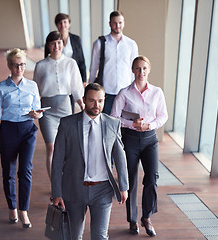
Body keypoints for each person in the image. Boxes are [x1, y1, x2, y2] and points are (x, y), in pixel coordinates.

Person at [51, 83, 129, 240]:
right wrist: (56, 193)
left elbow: (120, 157)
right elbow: (57, 160)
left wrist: (124, 186)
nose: (97, 105)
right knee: (74, 236)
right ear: (84, 100)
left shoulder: (113, 124)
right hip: (74, 188)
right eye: (92, 100)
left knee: (100, 237)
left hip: (103, 190)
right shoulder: (67, 124)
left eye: (100, 101)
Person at [110, 56, 168, 237]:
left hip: (150, 139)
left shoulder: (157, 92)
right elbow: (113, 117)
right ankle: (133, 220)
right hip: (131, 139)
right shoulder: (124, 93)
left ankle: (147, 217)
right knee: (131, 180)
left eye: (144, 68)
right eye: (137, 69)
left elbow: (163, 116)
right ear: (133, 70)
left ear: (148, 70)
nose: (141, 72)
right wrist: (131, 124)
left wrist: (149, 125)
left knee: (152, 177)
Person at [0, 48, 43, 228]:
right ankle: (12, 207)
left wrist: (37, 114)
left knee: (25, 170)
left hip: (28, 130)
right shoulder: (1, 88)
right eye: (16, 65)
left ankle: (23, 211)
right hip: (8, 131)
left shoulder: (32, 86)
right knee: (9, 172)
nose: (19, 68)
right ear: (9, 66)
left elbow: (38, 110)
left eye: (22, 65)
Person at [34, 31, 85, 178]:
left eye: (59, 42)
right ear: (48, 45)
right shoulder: (40, 65)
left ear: (63, 44)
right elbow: (36, 90)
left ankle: (66, 181)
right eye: (53, 43)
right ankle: (55, 187)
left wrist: (81, 104)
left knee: (66, 149)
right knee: (51, 148)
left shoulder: (70, 63)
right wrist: (35, 109)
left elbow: (75, 87)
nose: (56, 46)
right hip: (47, 111)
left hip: (65, 108)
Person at [88, 10, 138, 115]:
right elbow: (93, 68)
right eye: (114, 23)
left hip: (126, 90)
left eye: (120, 23)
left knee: (124, 123)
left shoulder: (131, 44)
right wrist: (90, 89)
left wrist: (135, 89)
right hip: (106, 91)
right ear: (109, 23)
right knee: (106, 122)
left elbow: (135, 68)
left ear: (124, 23)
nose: (117, 26)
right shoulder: (99, 43)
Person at [53, 13, 87, 113]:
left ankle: (69, 118)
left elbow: (81, 59)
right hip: (58, 75)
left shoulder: (76, 39)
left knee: (73, 99)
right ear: (56, 25)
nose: (62, 25)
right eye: (60, 23)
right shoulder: (53, 39)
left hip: (72, 74)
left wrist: (84, 79)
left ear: (69, 24)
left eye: (65, 22)